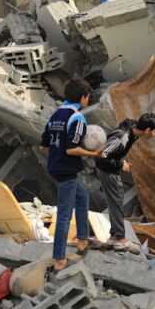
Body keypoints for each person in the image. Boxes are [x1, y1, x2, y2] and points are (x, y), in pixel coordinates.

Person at [39, 76, 102, 270]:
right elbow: (71, 149)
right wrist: (94, 153)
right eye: (87, 97)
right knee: (65, 214)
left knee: (82, 198)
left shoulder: (56, 115)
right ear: (83, 97)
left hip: (55, 167)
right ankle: (59, 260)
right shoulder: (77, 118)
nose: (87, 101)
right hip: (67, 170)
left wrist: (57, 155)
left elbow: (43, 147)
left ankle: (83, 240)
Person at [95, 114, 155, 250]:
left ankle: (114, 236)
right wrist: (121, 164)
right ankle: (120, 239)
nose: (154, 134)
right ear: (147, 130)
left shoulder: (133, 129)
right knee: (117, 202)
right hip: (107, 171)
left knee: (116, 201)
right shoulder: (122, 137)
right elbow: (102, 155)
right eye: (154, 131)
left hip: (109, 169)